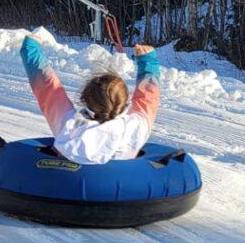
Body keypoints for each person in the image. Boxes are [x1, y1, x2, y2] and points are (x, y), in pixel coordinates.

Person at [19, 35, 161, 164]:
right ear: (124, 102)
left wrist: (30, 50)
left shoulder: (69, 126)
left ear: (85, 99)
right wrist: (149, 62)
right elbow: (148, 97)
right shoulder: (135, 127)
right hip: (124, 190)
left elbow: (47, 88)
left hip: (68, 188)